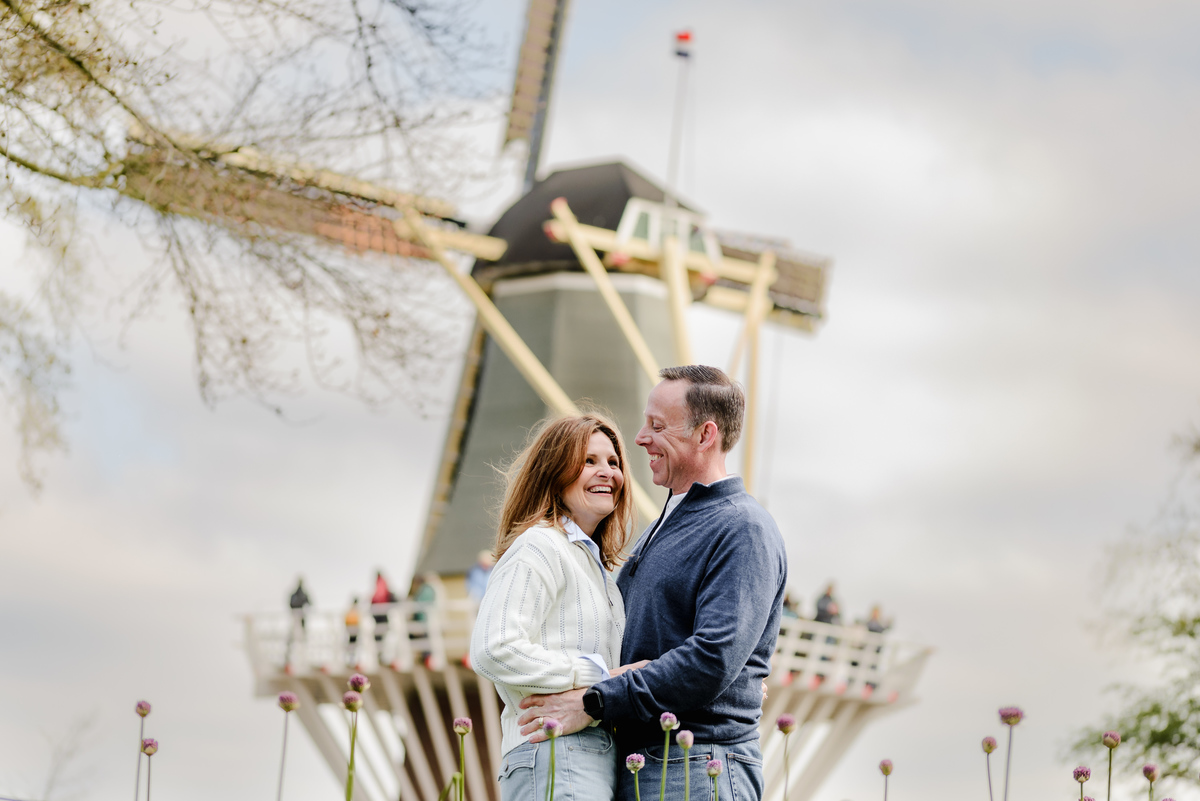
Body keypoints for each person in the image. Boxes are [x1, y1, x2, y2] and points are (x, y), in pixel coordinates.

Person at [515, 366, 788, 801]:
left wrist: (593, 701)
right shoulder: (662, 528)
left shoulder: (741, 527)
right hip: (645, 765)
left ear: (705, 435)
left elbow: (713, 658)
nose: (639, 438)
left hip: (699, 765)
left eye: (657, 426)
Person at [470, 413, 645, 801]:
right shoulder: (540, 546)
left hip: (585, 755)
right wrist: (596, 675)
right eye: (589, 461)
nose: (607, 473)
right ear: (555, 472)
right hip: (555, 751)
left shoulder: (595, 567)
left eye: (613, 462)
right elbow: (494, 647)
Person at [285, 577, 311, 666]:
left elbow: (290, 604)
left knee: (295, 637)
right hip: (299, 618)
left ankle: (290, 657)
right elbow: (309, 604)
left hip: (297, 617)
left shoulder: (296, 594)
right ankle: (297, 657)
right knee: (299, 637)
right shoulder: (302, 594)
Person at [371, 570, 397, 644]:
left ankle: (380, 647)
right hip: (382, 608)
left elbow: (380, 595)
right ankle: (382, 646)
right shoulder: (384, 581)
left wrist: (374, 601)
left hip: (380, 609)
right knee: (383, 629)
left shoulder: (380, 582)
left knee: (381, 629)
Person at [344, 596, 361, 666]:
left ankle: (351, 659)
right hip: (353, 628)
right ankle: (351, 659)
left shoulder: (351, 609)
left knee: (352, 644)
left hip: (352, 628)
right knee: (353, 644)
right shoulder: (355, 609)